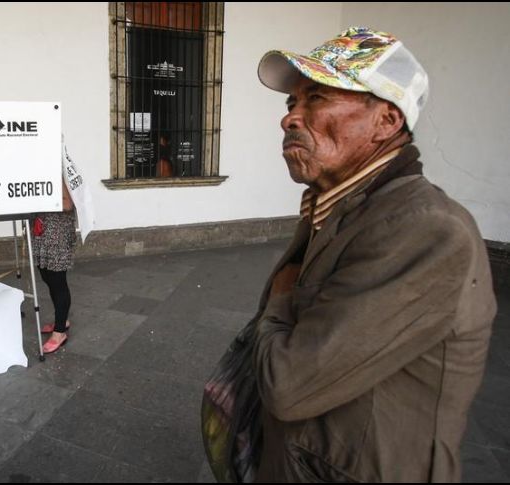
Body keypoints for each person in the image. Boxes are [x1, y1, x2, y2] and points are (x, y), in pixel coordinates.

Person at [202, 27, 496, 482]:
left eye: (317, 98)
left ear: (386, 121)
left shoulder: (426, 229)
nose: (289, 118)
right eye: (292, 102)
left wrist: (280, 299)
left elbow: (290, 386)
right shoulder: (338, 204)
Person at [32, 180, 76, 354]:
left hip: (57, 234)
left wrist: (40, 199)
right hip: (43, 233)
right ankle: (61, 319)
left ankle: (59, 332)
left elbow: (67, 204)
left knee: (58, 281)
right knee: (47, 276)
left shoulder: (58, 173)